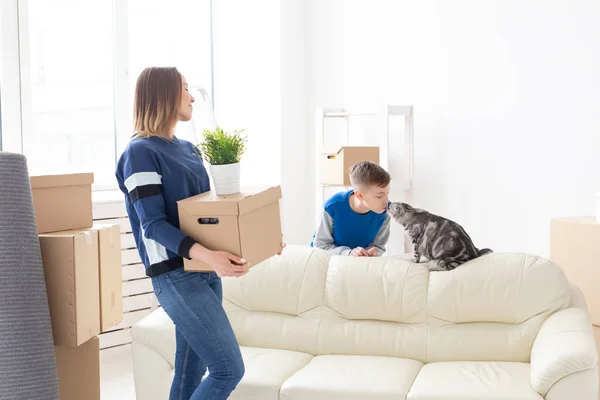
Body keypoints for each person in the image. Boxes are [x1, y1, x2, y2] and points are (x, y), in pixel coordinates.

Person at [115, 66, 248, 400]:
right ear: (163, 94)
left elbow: (207, 215)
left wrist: (254, 240)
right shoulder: (140, 153)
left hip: (203, 270)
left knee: (192, 371)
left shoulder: (189, 149)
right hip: (174, 275)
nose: (191, 97)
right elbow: (154, 225)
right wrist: (210, 257)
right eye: (185, 88)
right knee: (228, 369)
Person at [311, 160, 391, 256]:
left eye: (387, 193)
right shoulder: (332, 207)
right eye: (379, 196)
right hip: (326, 261)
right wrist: (348, 253)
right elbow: (320, 246)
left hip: (360, 263)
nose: (386, 201)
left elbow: (378, 245)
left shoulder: (384, 211)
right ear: (359, 195)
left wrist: (372, 253)